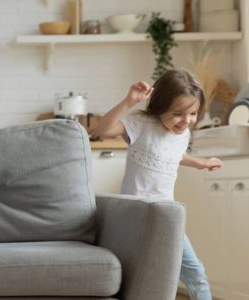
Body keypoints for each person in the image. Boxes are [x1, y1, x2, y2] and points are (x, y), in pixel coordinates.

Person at [94, 69, 222, 300]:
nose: (186, 121)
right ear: (160, 106)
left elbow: (174, 155)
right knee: (144, 277)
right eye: (178, 114)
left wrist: (201, 162)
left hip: (167, 216)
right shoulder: (141, 124)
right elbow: (102, 131)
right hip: (137, 215)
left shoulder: (181, 134)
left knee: (196, 274)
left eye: (192, 113)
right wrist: (129, 101)